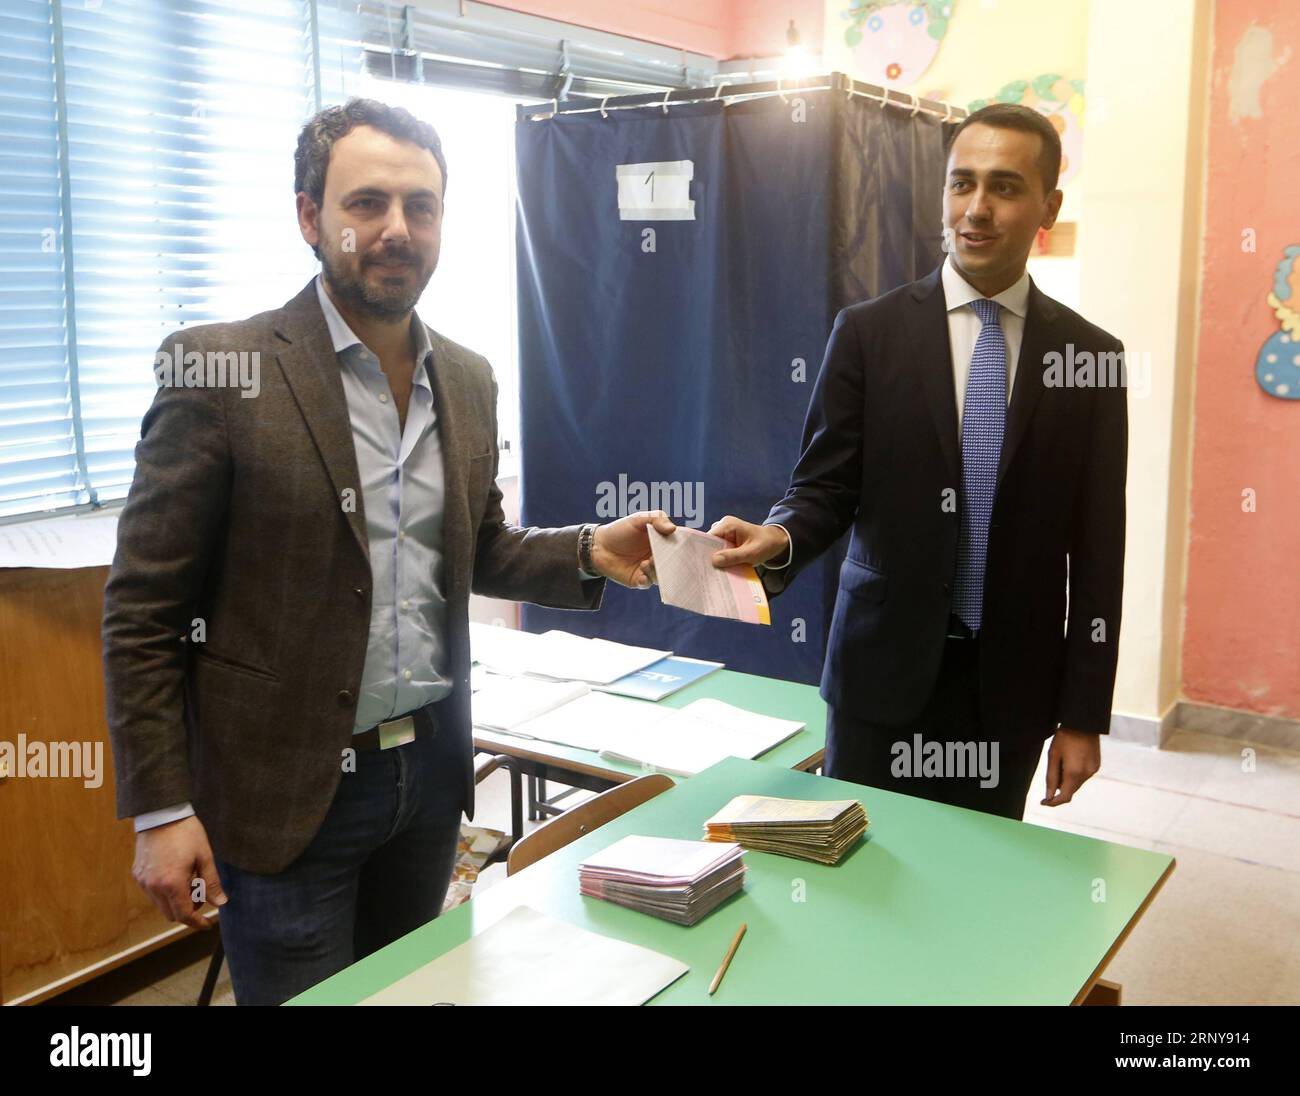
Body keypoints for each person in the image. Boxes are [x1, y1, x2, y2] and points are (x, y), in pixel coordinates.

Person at [102, 98, 675, 1005]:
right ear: (308, 217)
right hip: (285, 794)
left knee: (411, 998)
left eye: (422, 206)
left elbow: (476, 548)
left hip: (426, 780)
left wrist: (590, 552)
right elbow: (141, 612)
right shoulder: (219, 371)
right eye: (366, 202)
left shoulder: (469, 376)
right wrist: (163, 809)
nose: (396, 229)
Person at [709, 103, 1127, 821]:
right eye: (961, 184)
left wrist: (1083, 714)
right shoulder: (870, 334)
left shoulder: (1089, 358)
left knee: (976, 889)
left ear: (1047, 206)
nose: (977, 209)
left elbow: (1098, 551)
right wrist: (779, 537)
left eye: (1004, 187)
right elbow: (825, 487)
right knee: (859, 876)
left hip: (1010, 689)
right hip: (881, 674)